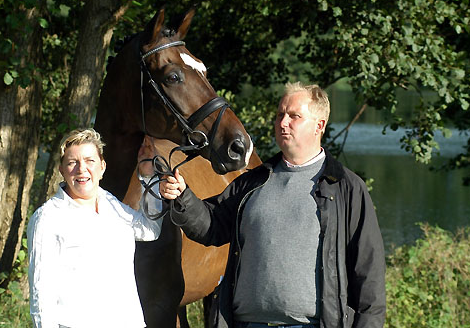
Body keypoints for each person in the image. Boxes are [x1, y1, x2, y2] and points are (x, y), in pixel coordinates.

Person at [160, 82, 386, 328]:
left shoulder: (345, 188)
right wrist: (182, 196)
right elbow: (211, 225)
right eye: (280, 115)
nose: (282, 122)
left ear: (319, 126)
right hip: (247, 324)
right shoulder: (252, 182)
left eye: (294, 116)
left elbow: (368, 274)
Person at [27, 128, 162, 328]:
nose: (82, 169)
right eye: (72, 163)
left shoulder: (110, 203)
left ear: (102, 167)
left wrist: (149, 177)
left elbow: (150, 230)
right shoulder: (47, 218)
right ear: (61, 171)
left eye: (90, 161)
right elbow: (40, 294)